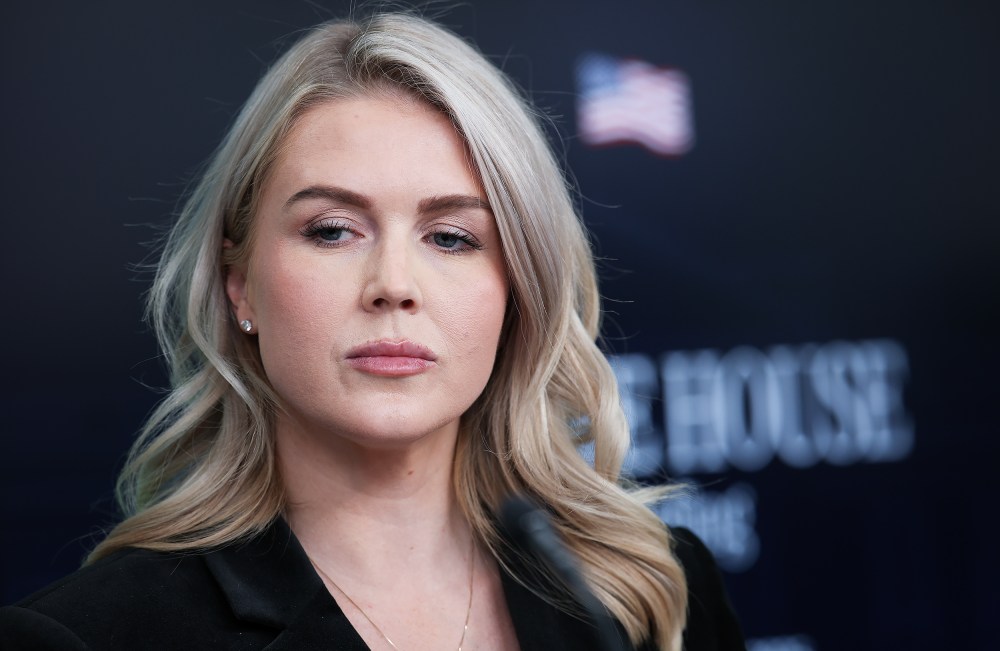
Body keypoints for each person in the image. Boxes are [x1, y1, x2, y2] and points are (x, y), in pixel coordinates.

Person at [0, 11, 744, 651]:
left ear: (517, 290)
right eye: (332, 230)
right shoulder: (89, 636)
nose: (393, 284)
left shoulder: (653, 594)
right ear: (239, 287)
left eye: (451, 237)